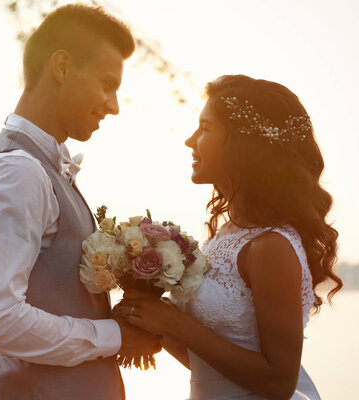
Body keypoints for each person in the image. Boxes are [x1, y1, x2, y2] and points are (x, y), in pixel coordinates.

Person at [0, 4, 160, 399]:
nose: (114, 105)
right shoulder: (17, 171)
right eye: (107, 84)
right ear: (62, 67)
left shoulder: (39, 166)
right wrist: (112, 336)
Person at [119, 75, 343, 399]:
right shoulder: (224, 236)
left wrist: (175, 324)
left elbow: (279, 383)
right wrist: (152, 321)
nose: (190, 140)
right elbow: (210, 365)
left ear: (242, 144)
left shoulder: (271, 246)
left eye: (205, 128)